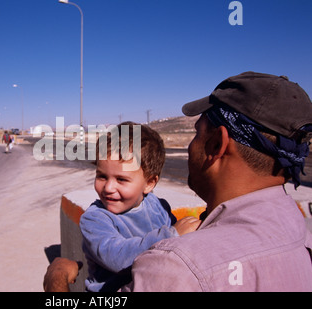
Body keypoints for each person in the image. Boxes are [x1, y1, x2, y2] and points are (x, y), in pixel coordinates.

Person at [44, 71, 312, 292]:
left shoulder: (175, 268)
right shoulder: (300, 233)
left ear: (217, 144)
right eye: (102, 176)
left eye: (196, 133)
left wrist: (55, 282)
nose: (190, 146)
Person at [80, 122, 200, 292]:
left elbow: (180, 239)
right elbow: (116, 258)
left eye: (121, 179)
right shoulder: (95, 219)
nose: (108, 188)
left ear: (149, 183)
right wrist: (170, 235)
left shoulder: (158, 206)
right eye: (102, 176)